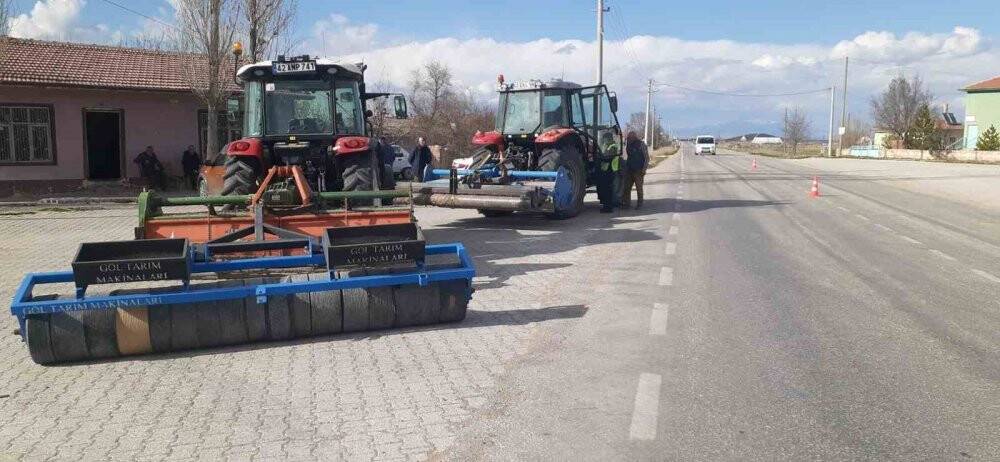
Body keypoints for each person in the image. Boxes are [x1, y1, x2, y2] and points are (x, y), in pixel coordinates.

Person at [622, 131, 649, 209]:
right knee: (626, 188)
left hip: (639, 171)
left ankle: (639, 204)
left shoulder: (641, 144)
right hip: (629, 170)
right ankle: (627, 204)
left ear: (634, 137)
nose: (628, 139)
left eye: (630, 138)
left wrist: (644, 169)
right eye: (628, 138)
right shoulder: (628, 145)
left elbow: (647, 158)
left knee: (639, 188)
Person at [596, 131, 622, 213]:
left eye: (605, 139)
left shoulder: (613, 146)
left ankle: (608, 207)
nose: (604, 140)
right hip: (606, 170)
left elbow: (607, 157)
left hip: (611, 171)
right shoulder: (606, 145)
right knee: (606, 189)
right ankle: (606, 205)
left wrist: (599, 157)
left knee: (608, 189)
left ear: (609, 138)